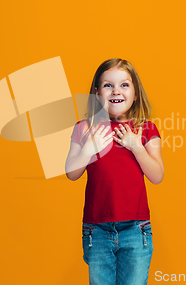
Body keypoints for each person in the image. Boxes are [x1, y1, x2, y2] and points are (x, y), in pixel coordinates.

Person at [65, 58, 165, 285]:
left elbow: (157, 175)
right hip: (96, 230)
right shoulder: (85, 128)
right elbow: (71, 173)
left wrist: (136, 147)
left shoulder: (145, 128)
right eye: (108, 85)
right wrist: (89, 150)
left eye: (124, 85)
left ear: (136, 93)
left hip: (135, 228)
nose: (116, 90)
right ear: (98, 93)